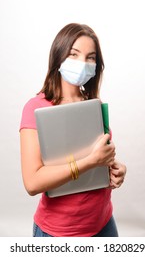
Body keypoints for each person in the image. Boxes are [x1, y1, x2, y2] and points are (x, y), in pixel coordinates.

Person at [19, 23, 127, 237]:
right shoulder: (36, 108)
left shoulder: (93, 103)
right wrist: (90, 162)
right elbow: (32, 183)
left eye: (90, 57)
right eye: (74, 54)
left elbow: (97, 158)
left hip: (103, 223)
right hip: (60, 233)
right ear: (58, 57)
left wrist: (114, 170)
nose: (82, 63)